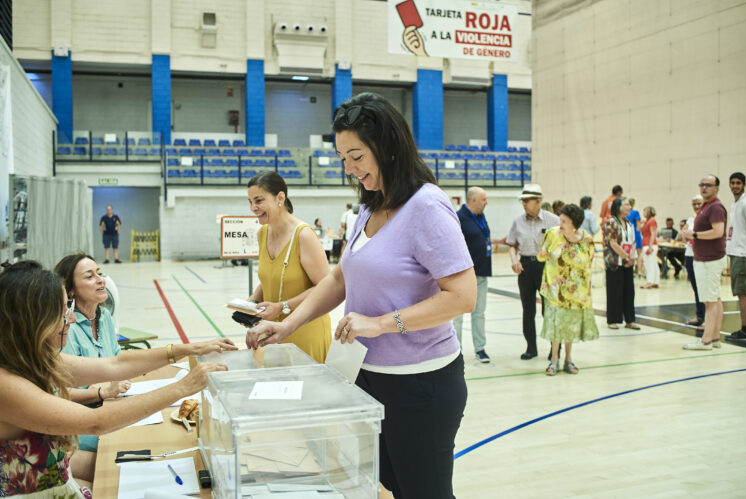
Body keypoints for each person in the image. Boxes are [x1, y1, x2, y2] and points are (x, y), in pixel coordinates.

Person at [246, 92, 476, 499]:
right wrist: (287, 324)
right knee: (392, 486)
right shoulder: (371, 206)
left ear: (387, 147)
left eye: (356, 156)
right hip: (370, 377)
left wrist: (383, 323)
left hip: (422, 385)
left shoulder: (426, 206)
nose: (349, 169)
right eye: (342, 158)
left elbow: (462, 296)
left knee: (424, 491)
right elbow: (338, 280)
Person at [0, 261, 235, 497]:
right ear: (34, 322)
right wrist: (182, 387)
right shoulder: (6, 384)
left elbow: (115, 364)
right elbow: (96, 422)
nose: (70, 319)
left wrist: (188, 348)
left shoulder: (34, 359)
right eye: (62, 312)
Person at [54, 253, 130, 481]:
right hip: (81, 419)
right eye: (90, 276)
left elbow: (118, 362)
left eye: (100, 273)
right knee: (126, 443)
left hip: (107, 406)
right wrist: (100, 391)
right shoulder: (66, 328)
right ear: (71, 290)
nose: (100, 280)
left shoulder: (104, 316)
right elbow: (61, 393)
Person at [247, 171, 332, 363]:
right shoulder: (263, 233)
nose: (253, 207)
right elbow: (270, 278)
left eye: (259, 200)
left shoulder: (303, 235)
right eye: (250, 202)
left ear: (280, 198)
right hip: (271, 334)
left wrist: (282, 307)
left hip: (305, 332)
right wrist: (251, 302)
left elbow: (326, 287)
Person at [538, 204, 599, 375]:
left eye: (564, 221)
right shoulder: (552, 234)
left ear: (574, 224)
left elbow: (589, 260)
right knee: (557, 326)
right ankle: (554, 359)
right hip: (556, 290)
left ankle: (569, 359)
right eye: (560, 219)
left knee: (570, 326)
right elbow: (541, 255)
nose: (560, 223)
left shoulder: (586, 238)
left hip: (577, 291)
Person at [506, 183, 559, 359]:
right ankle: (531, 348)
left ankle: (554, 349)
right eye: (523, 200)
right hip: (526, 267)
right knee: (528, 310)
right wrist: (514, 260)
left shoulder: (553, 221)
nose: (524, 204)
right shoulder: (518, 221)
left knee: (548, 310)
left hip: (547, 269)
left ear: (538, 201)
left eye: (527, 200)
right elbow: (511, 244)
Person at [454, 186, 503, 363]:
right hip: (462, 276)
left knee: (479, 313)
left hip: (481, 274)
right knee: (457, 316)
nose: (486, 203)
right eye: (484, 199)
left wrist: (497, 241)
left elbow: (480, 239)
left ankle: (480, 348)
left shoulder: (480, 217)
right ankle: (456, 351)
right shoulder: (459, 218)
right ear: (473, 200)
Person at [680, 175, 726, 350]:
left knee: (709, 301)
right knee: (715, 298)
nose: (704, 187)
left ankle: (706, 340)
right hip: (706, 258)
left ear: (716, 188)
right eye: (702, 185)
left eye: (708, 185)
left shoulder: (715, 207)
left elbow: (718, 231)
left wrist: (695, 235)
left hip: (710, 259)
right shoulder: (707, 207)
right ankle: (714, 338)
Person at [603, 197, 639, 330]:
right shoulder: (611, 222)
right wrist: (626, 256)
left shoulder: (629, 223)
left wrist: (632, 257)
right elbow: (612, 243)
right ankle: (612, 319)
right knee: (614, 292)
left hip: (628, 261)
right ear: (618, 207)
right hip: (615, 262)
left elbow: (633, 241)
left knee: (629, 291)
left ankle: (630, 320)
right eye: (627, 205)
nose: (630, 207)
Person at [726, 172, 746, 342]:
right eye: (733, 183)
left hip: (743, 254)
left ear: (744, 185)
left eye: (738, 183)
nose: (735, 186)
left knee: (743, 293)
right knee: (741, 293)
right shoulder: (735, 204)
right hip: (735, 253)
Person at [682, 195, 706, 328]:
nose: (697, 206)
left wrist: (691, 234)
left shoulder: (707, 218)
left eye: (699, 203)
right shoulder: (691, 219)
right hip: (690, 254)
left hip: (702, 256)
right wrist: (685, 233)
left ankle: (707, 318)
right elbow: (684, 237)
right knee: (696, 288)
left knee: (704, 288)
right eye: (694, 204)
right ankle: (700, 316)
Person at [640, 206, 659, 289]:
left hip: (649, 245)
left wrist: (650, 246)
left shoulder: (652, 221)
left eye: (645, 212)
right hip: (646, 244)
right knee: (653, 264)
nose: (643, 213)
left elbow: (653, 234)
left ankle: (650, 281)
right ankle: (655, 281)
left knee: (649, 264)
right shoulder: (646, 221)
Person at [627, 198, 644, 278]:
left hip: (627, 233)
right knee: (639, 253)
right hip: (635, 233)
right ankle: (639, 271)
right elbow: (638, 225)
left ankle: (630, 269)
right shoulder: (635, 212)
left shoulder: (624, 213)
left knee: (629, 252)